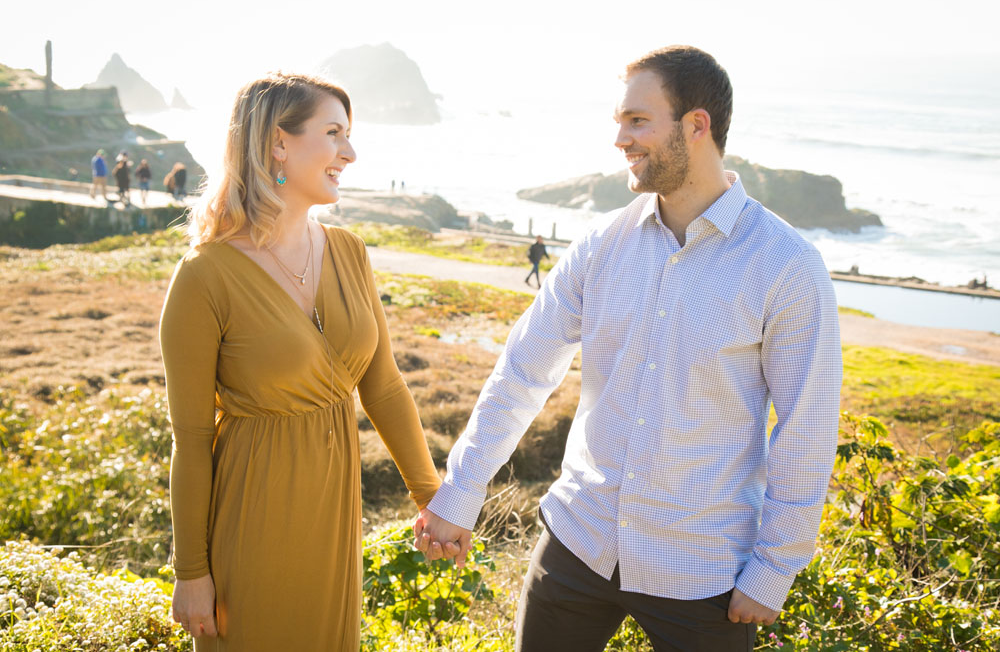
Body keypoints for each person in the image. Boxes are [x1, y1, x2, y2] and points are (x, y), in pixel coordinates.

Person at [414, 45, 842, 651]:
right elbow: (522, 374)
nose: (620, 138)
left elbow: (806, 426)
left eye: (637, 120)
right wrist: (461, 492)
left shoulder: (786, 264)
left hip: (702, 573)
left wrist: (775, 568)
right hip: (578, 542)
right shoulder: (599, 245)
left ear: (697, 126)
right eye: (618, 120)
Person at [159, 72, 442, 650]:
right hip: (252, 522)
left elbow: (383, 387)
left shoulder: (348, 251)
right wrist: (191, 572)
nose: (350, 152)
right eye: (334, 133)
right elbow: (190, 438)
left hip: (335, 522)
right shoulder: (204, 276)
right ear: (278, 143)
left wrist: (432, 497)